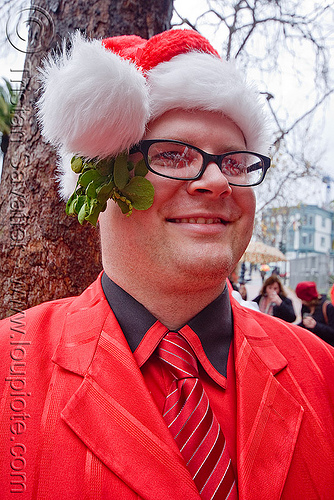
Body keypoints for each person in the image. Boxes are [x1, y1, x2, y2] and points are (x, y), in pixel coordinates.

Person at [0, 29, 333, 500]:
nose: (218, 181)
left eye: (236, 163)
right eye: (173, 155)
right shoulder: (9, 369)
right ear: (101, 184)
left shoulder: (323, 372)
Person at [296, 281, 334, 347]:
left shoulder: (327, 307)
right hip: (310, 346)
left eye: (303, 299)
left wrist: (316, 326)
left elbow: (332, 332)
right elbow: (303, 324)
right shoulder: (305, 307)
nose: (302, 302)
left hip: (325, 347)